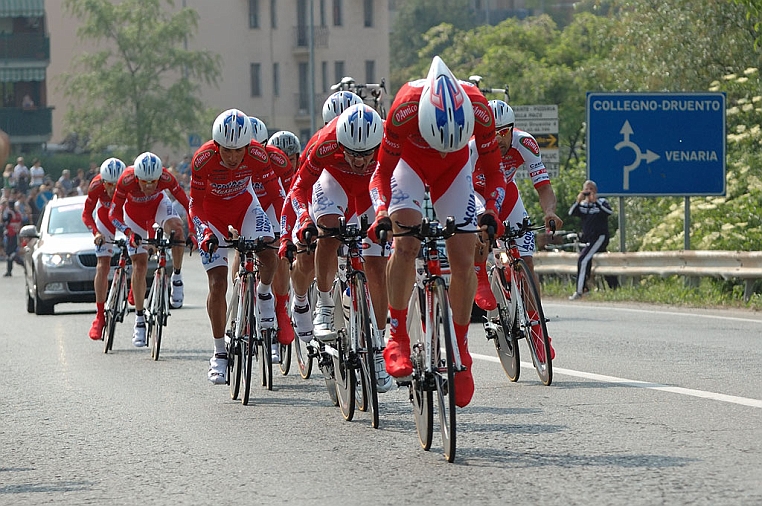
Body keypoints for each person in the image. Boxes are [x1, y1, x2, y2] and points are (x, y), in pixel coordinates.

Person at [368, 56, 506, 408]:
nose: (443, 146)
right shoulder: (404, 107)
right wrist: (383, 212)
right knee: (406, 244)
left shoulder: (479, 108)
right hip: (409, 168)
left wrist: (490, 209)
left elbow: (493, 174)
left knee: (463, 256)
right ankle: (396, 334)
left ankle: (460, 349)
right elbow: (381, 174)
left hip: (454, 175)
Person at [287, 103, 393, 393]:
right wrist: (305, 219)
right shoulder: (324, 143)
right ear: (340, 143)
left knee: (376, 266)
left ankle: (379, 347)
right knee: (329, 232)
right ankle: (322, 304)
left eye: (365, 154)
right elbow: (298, 188)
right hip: (334, 183)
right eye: (352, 154)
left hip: (372, 189)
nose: (359, 161)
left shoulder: (388, 140)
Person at [188, 108, 279, 385]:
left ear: (248, 146)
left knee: (268, 249)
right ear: (216, 146)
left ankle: (263, 294)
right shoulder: (202, 159)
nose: (232, 157)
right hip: (211, 216)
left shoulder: (258, 155)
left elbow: (276, 193)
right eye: (226, 150)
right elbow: (195, 204)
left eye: (238, 150)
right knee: (217, 283)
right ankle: (219, 353)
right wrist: (204, 233)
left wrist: (285, 228)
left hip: (244, 208)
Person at [471, 99, 562, 362]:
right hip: (475, 194)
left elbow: (543, 186)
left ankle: (538, 331)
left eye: (503, 132)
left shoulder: (525, 143)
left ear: (512, 129)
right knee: (482, 226)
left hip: (506, 196)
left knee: (527, 263)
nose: (497, 138)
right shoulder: (473, 146)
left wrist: (549, 212)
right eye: (491, 132)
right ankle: (479, 277)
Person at [109, 152, 192, 347]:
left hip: (158, 207)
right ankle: (139, 320)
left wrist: (195, 232)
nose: (149, 186)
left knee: (178, 231)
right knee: (140, 264)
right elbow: (114, 213)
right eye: (144, 182)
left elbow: (189, 204)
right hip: (133, 218)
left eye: (153, 182)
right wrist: (128, 232)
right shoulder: (126, 180)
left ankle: (177, 277)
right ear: (136, 177)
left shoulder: (166, 177)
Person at [83, 157, 126, 340]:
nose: (112, 190)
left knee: (139, 252)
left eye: (116, 186)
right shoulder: (95, 186)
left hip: (126, 214)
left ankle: (133, 290)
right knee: (103, 264)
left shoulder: (130, 183)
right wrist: (96, 234)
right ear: (102, 181)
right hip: (105, 218)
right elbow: (86, 214)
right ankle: (99, 317)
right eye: (109, 185)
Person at [568, 179, 618, 299]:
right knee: (602, 263)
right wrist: (579, 200)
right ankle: (615, 287)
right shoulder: (583, 205)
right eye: (586, 189)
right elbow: (571, 213)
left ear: (595, 191)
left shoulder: (602, 202)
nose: (589, 192)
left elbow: (609, 212)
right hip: (588, 239)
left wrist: (595, 201)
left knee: (583, 259)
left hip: (600, 237)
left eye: (591, 189)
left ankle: (580, 291)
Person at [2, 197, 22, 276]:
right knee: (11, 253)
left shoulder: (10, 213)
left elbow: (5, 221)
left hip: (10, 234)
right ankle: (9, 271)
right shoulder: (17, 213)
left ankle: (22, 264)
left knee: (10, 253)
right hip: (16, 234)